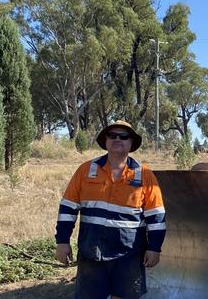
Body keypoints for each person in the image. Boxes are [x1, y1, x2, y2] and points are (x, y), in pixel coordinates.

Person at [54, 120, 166, 299]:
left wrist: (154, 248)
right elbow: (68, 208)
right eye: (112, 135)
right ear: (105, 140)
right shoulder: (86, 170)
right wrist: (62, 241)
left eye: (124, 136)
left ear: (131, 143)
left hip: (129, 255)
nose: (117, 139)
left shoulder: (145, 175)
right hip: (91, 252)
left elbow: (156, 217)